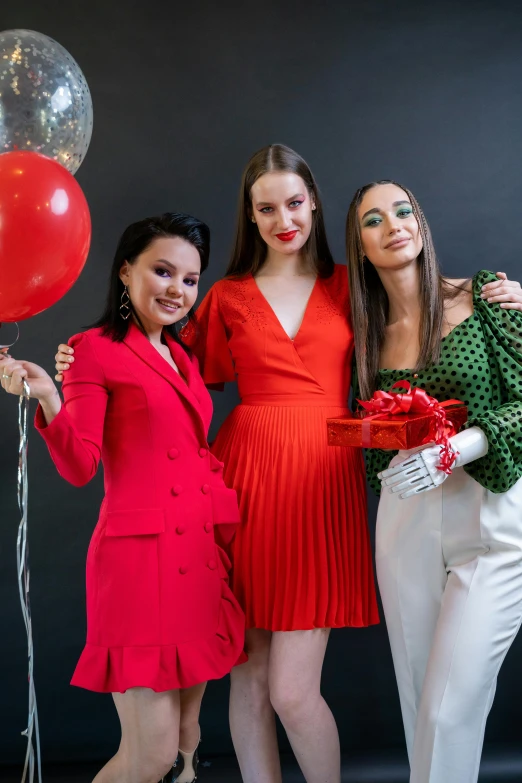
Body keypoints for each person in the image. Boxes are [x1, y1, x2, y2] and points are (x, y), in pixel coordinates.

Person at [54, 147, 522, 783]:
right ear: (250, 215)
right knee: (247, 676)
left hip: (324, 483)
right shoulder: (222, 296)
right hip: (243, 478)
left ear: (315, 205)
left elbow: (419, 307)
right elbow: (155, 353)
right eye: (266, 207)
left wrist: (499, 294)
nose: (283, 219)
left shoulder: (350, 284)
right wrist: (81, 357)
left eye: (294, 203)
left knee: (293, 692)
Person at [1, 213, 246, 783]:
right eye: (162, 271)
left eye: (189, 279)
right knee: (151, 755)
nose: (177, 290)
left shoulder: (183, 358)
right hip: (142, 568)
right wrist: (48, 396)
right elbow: (81, 465)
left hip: (199, 562)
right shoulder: (92, 350)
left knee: (188, 745)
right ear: (126, 272)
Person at [346, 180, 522, 783]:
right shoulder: (364, 339)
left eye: (404, 210)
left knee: (449, 709)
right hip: (405, 521)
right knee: (421, 701)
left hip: (493, 517)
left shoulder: (488, 299)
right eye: (374, 220)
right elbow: (368, 440)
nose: (393, 225)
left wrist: (460, 447)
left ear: (421, 222)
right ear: (360, 246)